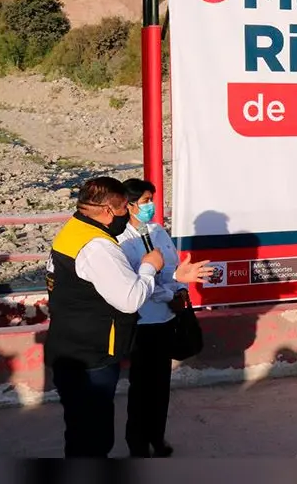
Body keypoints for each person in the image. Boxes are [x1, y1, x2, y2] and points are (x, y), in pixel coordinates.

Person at [44, 176, 213, 458]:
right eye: (128, 205)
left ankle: (152, 440)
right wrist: (149, 268)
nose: (142, 209)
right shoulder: (100, 245)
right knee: (93, 437)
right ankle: (136, 446)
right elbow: (130, 297)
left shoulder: (74, 232)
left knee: (85, 430)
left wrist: (174, 282)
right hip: (93, 352)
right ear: (111, 210)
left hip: (76, 344)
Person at [117, 179, 189, 457]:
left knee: (160, 386)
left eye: (152, 200)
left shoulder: (158, 231)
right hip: (142, 322)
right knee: (141, 389)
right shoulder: (121, 239)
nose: (151, 206)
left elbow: (173, 266)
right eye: (145, 201)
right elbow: (135, 281)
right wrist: (167, 294)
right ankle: (137, 444)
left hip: (166, 319)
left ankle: (157, 438)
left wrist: (180, 290)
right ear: (130, 205)